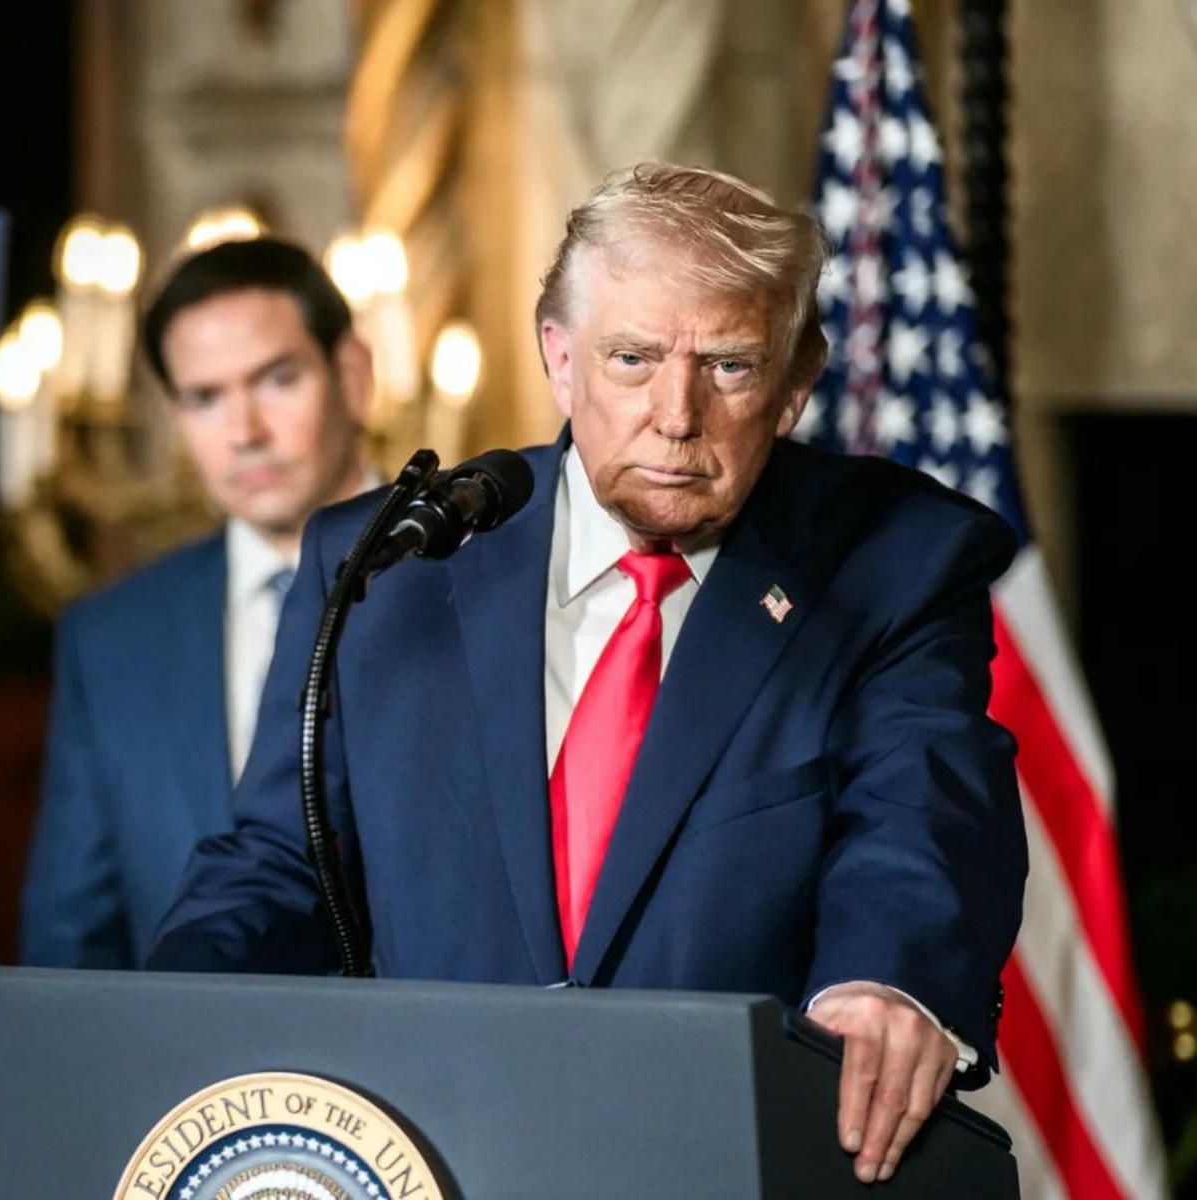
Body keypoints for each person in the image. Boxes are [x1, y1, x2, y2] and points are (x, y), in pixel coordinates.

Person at [148, 164, 1027, 1186]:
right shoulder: (389, 564)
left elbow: (920, 817)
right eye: (630, 357)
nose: (675, 413)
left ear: (795, 384)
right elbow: (273, 866)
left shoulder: (893, 562)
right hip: (428, 1156)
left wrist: (889, 983)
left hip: (733, 1160)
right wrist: (153, 1034)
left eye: (730, 367)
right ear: (558, 361)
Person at [21, 237, 375, 971]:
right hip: (193, 1080)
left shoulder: (479, 583)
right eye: (205, 398)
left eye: (277, 380)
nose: (244, 432)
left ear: (353, 374)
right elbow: (71, 940)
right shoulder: (112, 638)